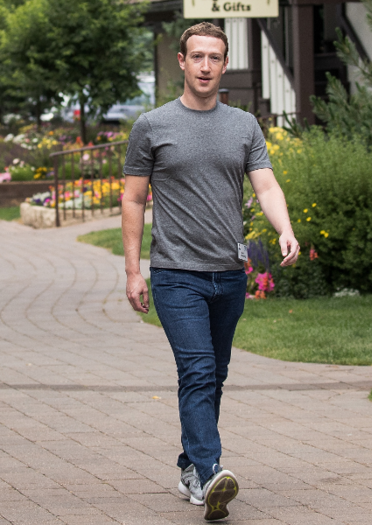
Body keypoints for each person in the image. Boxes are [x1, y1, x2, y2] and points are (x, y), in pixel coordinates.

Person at [121, 22, 300, 521]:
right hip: (177, 273)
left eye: (214, 58)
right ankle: (209, 473)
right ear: (181, 61)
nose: (204, 66)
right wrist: (134, 272)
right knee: (197, 370)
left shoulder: (244, 125)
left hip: (229, 272)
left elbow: (265, 187)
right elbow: (134, 199)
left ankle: (188, 465)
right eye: (196, 56)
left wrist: (284, 229)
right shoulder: (152, 126)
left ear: (224, 65)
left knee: (214, 375)